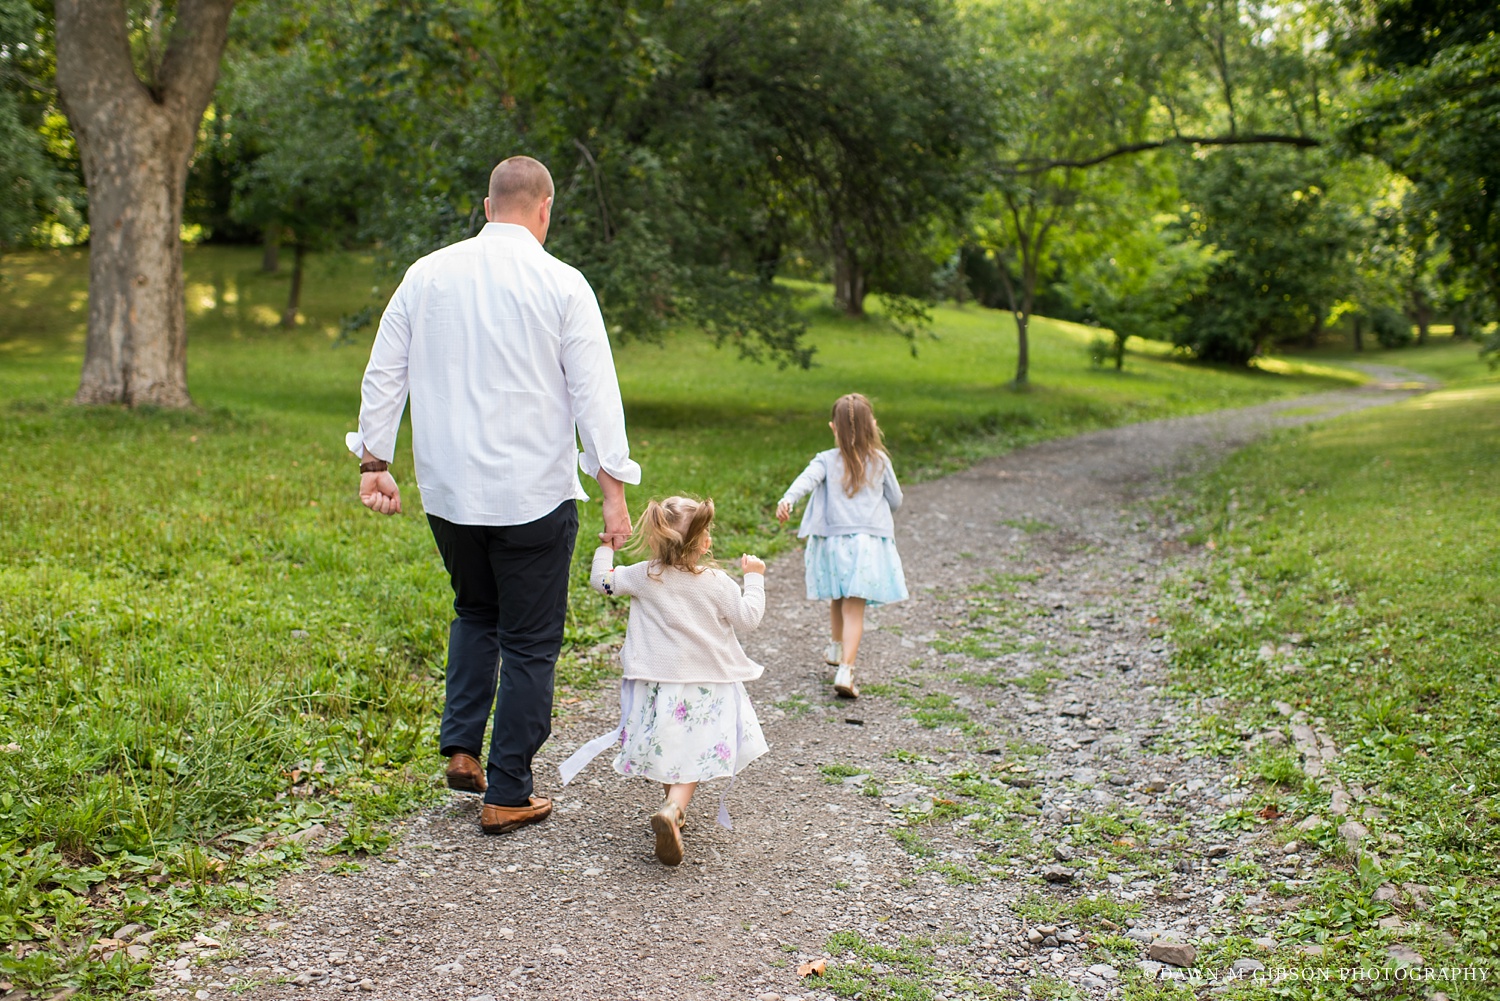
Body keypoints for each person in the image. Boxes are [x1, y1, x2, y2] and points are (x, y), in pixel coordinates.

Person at [346, 155, 639, 836]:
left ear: (486, 207)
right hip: (534, 493)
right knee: (532, 642)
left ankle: (460, 745)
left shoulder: (426, 275)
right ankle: (508, 788)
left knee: (475, 610)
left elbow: (384, 368)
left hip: (449, 492)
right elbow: (597, 397)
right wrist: (614, 491)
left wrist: (374, 460)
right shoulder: (562, 283)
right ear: (545, 209)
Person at [558, 496, 770, 866]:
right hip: (706, 685)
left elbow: (601, 582)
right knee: (695, 750)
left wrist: (606, 549)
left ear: (658, 538)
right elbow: (749, 619)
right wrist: (754, 577)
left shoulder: (645, 574)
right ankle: (673, 809)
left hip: (656, 683)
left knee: (671, 744)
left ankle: (673, 811)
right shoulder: (716, 582)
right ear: (704, 543)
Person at [776, 393, 907, 699]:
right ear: (871, 426)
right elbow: (897, 501)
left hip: (832, 544)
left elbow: (805, 481)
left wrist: (787, 500)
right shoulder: (880, 461)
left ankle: (836, 647)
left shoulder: (825, 460)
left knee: (838, 595)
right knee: (854, 608)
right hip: (866, 546)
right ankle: (846, 669)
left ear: (833, 428)